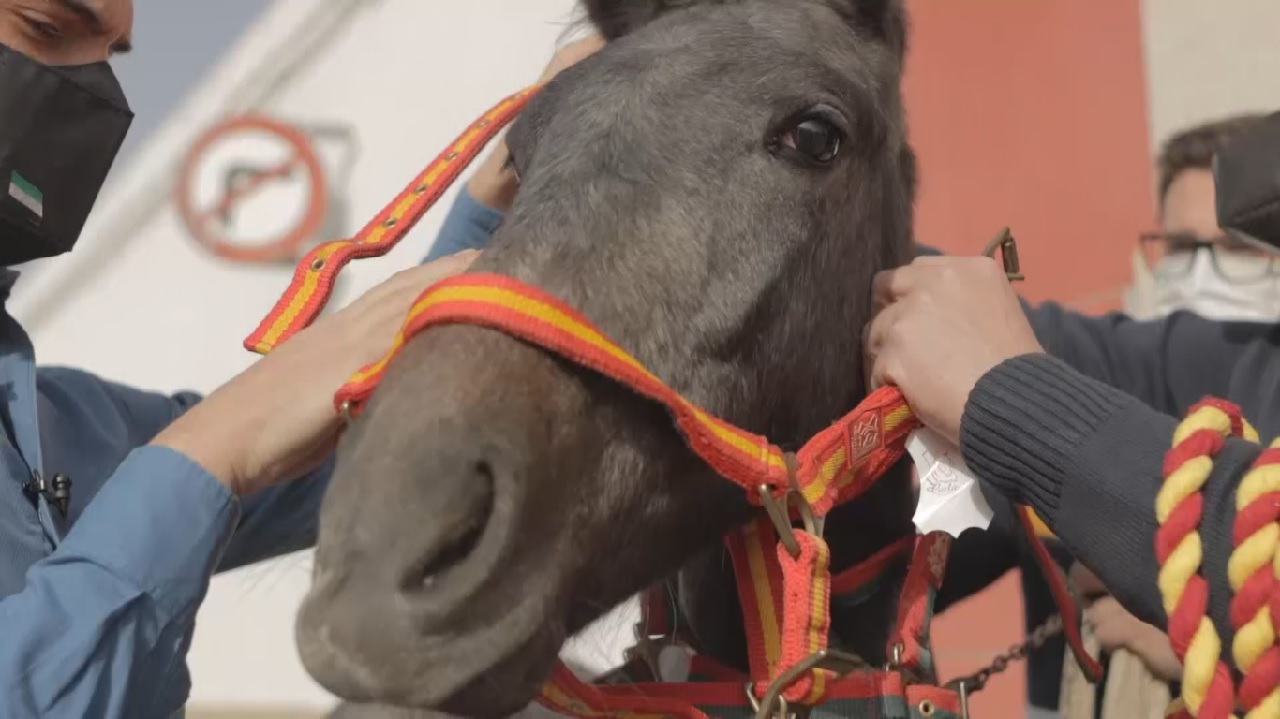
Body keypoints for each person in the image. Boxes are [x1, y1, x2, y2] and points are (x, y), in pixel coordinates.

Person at [0, 1, 478, 716]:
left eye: (109, 56)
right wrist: (211, 449)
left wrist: (496, 199)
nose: (90, 91)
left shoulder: (61, 424)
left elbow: (352, 458)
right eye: (43, 27)